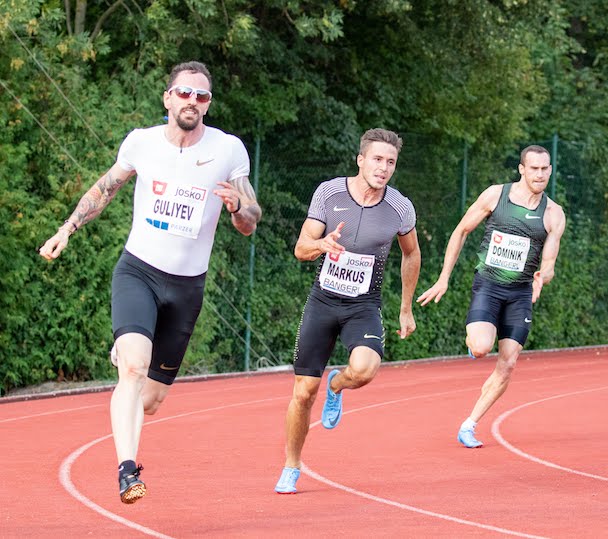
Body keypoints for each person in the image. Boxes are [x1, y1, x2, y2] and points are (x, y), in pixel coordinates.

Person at [39, 61, 262, 503]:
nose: (192, 102)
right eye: (184, 93)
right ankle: (127, 470)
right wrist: (66, 229)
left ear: (208, 105)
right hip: (138, 270)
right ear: (168, 98)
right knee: (134, 368)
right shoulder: (141, 143)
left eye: (201, 97)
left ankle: (125, 385)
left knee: (151, 398)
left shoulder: (229, 150)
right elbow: (104, 189)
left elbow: (250, 222)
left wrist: (238, 205)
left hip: (186, 287)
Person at [274, 128, 421, 494]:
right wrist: (322, 244)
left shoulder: (400, 208)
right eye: (377, 159)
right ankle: (292, 466)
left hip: (363, 305)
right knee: (304, 392)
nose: (383, 167)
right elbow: (301, 248)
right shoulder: (329, 193)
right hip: (323, 302)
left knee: (365, 369)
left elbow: (412, 253)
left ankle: (337, 385)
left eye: (390, 162)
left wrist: (405, 308)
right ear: (360, 159)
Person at [417, 145, 566, 448]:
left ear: (550, 170)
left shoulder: (553, 213)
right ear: (521, 169)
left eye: (545, 168)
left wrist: (543, 276)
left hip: (521, 293)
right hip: (488, 285)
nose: (540, 174)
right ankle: (475, 343)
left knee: (508, 364)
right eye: (534, 168)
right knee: (483, 347)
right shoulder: (495, 196)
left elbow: (549, 261)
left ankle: (469, 424)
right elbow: (461, 231)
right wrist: (443, 278)